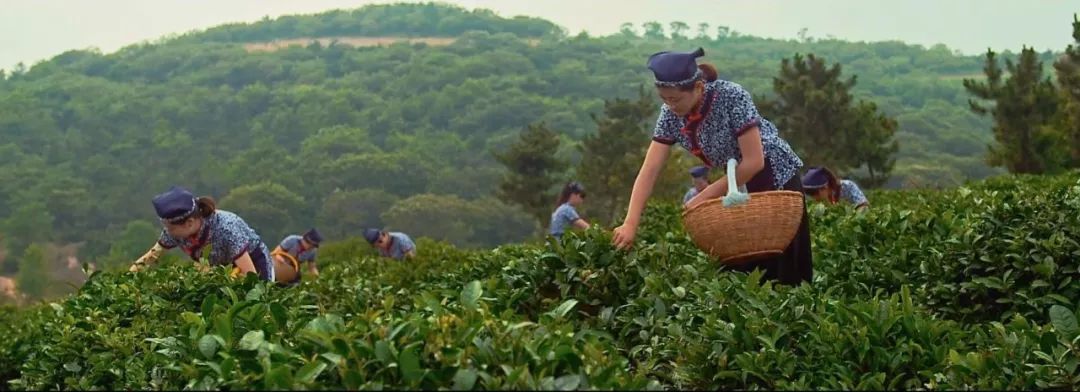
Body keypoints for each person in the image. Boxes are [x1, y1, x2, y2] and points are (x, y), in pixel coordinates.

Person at [611, 47, 813, 286]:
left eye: (675, 99)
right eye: (664, 99)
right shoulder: (670, 114)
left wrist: (704, 196)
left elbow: (754, 162)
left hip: (774, 177)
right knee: (740, 267)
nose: (670, 105)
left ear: (698, 87)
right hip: (737, 182)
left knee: (781, 270)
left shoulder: (731, 96)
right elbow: (650, 169)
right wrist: (630, 222)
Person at [128, 186, 276, 282]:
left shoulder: (226, 229)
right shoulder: (174, 232)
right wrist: (129, 276)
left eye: (171, 228)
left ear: (189, 223)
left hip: (254, 263)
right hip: (220, 269)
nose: (168, 232)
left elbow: (250, 275)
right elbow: (152, 256)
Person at [801, 166, 870, 211]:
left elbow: (864, 205)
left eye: (815, 193)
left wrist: (854, 219)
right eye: (810, 194)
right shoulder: (818, 204)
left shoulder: (848, 186)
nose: (814, 197)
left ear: (825, 187)